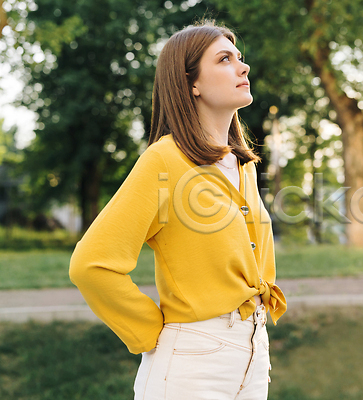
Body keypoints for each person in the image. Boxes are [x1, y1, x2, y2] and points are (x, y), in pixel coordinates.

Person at [69, 19, 286, 400]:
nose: (242, 66)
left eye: (240, 57)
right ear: (192, 84)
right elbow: (92, 264)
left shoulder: (244, 166)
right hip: (192, 362)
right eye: (224, 59)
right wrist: (152, 331)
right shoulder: (164, 161)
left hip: (254, 354)